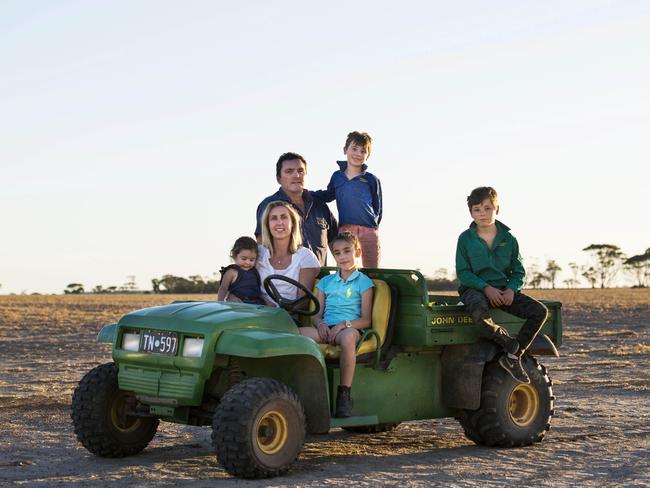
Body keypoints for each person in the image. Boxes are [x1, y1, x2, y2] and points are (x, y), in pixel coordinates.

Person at [455, 186, 548, 384]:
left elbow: (519, 270)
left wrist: (512, 290)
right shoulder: (465, 239)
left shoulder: (509, 239)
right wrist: (485, 288)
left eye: (487, 208)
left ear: (497, 209)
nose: (482, 214)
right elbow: (463, 272)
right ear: (470, 212)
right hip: (475, 289)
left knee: (540, 312)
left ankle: (513, 358)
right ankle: (510, 344)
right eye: (477, 209)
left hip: (503, 290)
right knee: (479, 313)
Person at [299, 232, 374, 417]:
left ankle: (344, 395)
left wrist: (343, 325)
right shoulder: (325, 282)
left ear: (357, 251)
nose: (342, 257)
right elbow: (316, 314)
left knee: (348, 338)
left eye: (347, 251)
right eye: (337, 253)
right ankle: (300, 389)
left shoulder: (364, 282)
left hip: (350, 328)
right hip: (326, 329)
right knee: (295, 333)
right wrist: (320, 324)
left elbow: (366, 319)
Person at [313, 131, 382, 268]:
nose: (358, 154)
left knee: (372, 269)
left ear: (367, 155)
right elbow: (329, 194)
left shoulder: (371, 180)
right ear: (345, 150)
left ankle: (370, 288)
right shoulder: (337, 176)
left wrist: (373, 226)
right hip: (346, 229)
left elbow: (378, 207)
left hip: (368, 230)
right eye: (354, 149)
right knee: (345, 267)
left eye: (363, 151)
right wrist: (310, 194)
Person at [255, 152, 338, 266]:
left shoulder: (320, 205)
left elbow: (336, 243)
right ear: (278, 178)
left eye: (300, 171)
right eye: (289, 171)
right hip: (286, 279)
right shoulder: (268, 205)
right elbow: (261, 244)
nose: (296, 175)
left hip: (321, 280)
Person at [257, 200, 320, 306]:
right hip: (257, 312)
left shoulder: (305, 257)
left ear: (293, 223)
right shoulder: (258, 253)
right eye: (273, 218)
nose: (279, 222)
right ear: (267, 225)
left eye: (284, 217)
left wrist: (276, 312)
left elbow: (302, 302)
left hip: (287, 317)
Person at [216, 236, 265, 305]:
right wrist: (220, 303)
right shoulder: (232, 272)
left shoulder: (254, 271)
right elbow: (223, 288)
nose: (247, 262)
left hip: (256, 304)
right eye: (244, 259)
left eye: (251, 260)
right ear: (234, 255)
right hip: (238, 305)